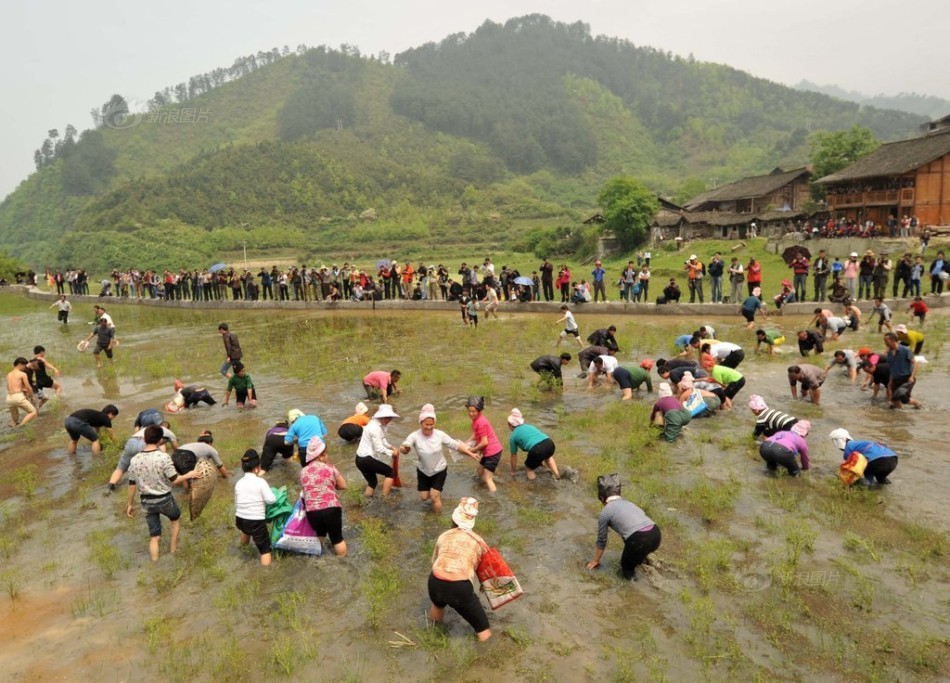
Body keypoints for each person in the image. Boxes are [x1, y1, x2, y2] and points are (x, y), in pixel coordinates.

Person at [126, 425, 200, 562]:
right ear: (160, 440)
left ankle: (155, 562)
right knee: (175, 520)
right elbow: (175, 480)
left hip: (146, 502)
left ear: (144, 439)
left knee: (154, 536)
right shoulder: (163, 457)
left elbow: (131, 485)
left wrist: (130, 504)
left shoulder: (134, 460)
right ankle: (173, 550)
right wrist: (190, 474)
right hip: (164, 499)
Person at [428, 497, 491, 641]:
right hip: (458, 587)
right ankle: (487, 659)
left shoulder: (444, 535)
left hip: (435, 580)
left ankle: (431, 637)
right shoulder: (479, 541)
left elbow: (435, 561)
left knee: (437, 605)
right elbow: (486, 573)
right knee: (483, 630)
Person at [401, 404, 478, 513]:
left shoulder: (439, 435)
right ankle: (435, 496)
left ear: (434, 423)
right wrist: (404, 449)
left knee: (434, 496)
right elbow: (405, 445)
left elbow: (455, 445)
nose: (429, 427)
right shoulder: (415, 436)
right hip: (423, 471)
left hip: (439, 470)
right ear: (420, 423)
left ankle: (438, 519)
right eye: (426, 424)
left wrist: (470, 453)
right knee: (424, 497)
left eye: (431, 424)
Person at [585, 474, 661, 581]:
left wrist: (596, 560)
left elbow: (602, 539)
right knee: (635, 549)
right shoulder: (629, 503)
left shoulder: (605, 512)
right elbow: (631, 529)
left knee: (626, 571)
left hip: (639, 539)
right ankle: (646, 559)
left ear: (601, 498)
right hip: (656, 534)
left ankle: (636, 590)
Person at [300, 437, 348, 556]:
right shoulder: (330, 468)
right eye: (326, 454)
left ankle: (316, 558)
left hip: (312, 511)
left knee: (319, 535)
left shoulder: (303, 471)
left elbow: (306, 490)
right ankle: (343, 563)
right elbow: (343, 485)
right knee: (337, 539)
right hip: (331, 508)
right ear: (320, 456)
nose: (328, 457)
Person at [233, 449, 277, 566]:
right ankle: (266, 575)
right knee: (265, 550)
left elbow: (237, 502)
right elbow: (271, 500)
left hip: (240, 519)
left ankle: (243, 548)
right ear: (257, 468)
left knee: (246, 530)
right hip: (256, 522)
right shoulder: (260, 482)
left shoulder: (239, 483)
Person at [107, 422, 178, 490]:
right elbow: (177, 451)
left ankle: (111, 486)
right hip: (144, 443)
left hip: (132, 441)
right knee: (155, 466)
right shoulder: (170, 433)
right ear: (168, 428)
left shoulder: (149, 428)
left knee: (120, 468)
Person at [355, 403, 400, 498]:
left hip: (359, 459)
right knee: (390, 472)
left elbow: (382, 439)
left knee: (372, 482)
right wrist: (392, 453)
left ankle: (365, 502)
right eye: (387, 418)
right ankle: (384, 498)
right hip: (366, 459)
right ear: (381, 416)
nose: (388, 420)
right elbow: (379, 448)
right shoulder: (374, 428)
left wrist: (390, 446)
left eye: (389, 418)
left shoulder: (375, 424)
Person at [830, 429, 898, 487]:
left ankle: (868, 485)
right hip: (893, 459)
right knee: (880, 478)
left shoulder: (848, 448)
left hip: (877, 461)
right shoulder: (860, 443)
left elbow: (851, 470)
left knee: (866, 478)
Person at [506, 408, 559, 480]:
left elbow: (513, 456)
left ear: (510, 425)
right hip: (549, 443)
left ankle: (535, 487)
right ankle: (557, 476)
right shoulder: (529, 426)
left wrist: (513, 471)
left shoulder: (513, 437)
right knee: (548, 457)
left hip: (537, 449)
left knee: (529, 469)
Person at [465, 396, 502, 493]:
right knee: (479, 471)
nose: (471, 414)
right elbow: (476, 434)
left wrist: (472, 450)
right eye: (469, 411)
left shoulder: (481, 422)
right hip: (488, 452)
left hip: (493, 452)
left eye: (474, 411)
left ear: (479, 411)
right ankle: (484, 488)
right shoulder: (476, 421)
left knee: (487, 477)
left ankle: (493, 497)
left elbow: (484, 442)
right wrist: (467, 442)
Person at [884, 332, 921, 409]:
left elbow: (916, 364)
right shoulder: (889, 353)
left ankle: (918, 404)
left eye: (886, 341)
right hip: (895, 379)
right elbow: (892, 368)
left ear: (893, 340)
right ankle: (901, 413)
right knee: (893, 399)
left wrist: (912, 376)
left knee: (903, 398)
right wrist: (890, 381)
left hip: (907, 378)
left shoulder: (905, 350)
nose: (885, 343)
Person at [6, 358, 37, 428]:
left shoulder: (9, 374)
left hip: (9, 398)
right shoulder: (22, 374)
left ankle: (14, 425)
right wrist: (32, 397)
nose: (25, 368)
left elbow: (8, 387)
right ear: (20, 364)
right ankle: (21, 426)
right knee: (33, 412)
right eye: (24, 366)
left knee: (15, 418)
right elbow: (28, 387)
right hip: (18, 397)